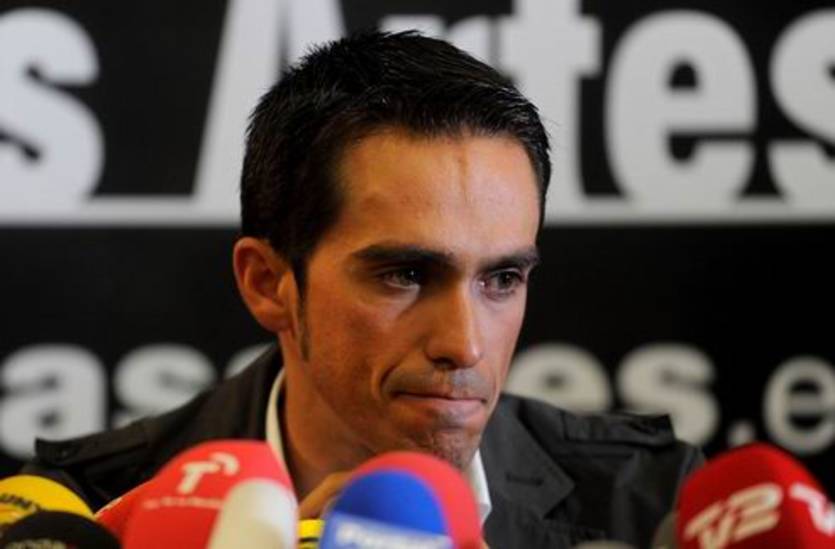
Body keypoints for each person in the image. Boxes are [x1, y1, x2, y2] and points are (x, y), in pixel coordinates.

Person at [23, 31, 701, 547]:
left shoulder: (654, 504)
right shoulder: (80, 516)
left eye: (501, 278)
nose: (465, 344)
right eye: (406, 274)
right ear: (268, 283)